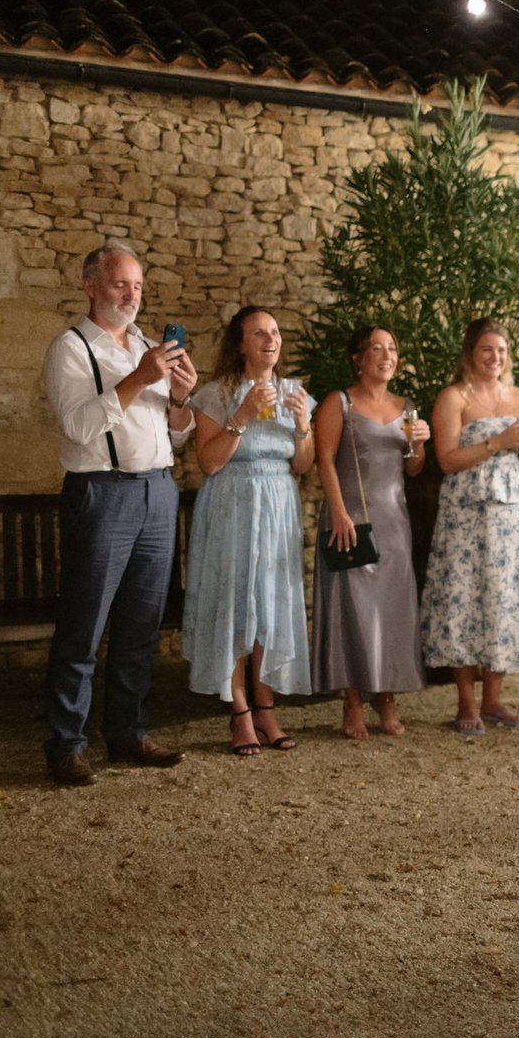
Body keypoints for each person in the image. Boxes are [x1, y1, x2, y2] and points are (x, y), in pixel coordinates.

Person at [40, 240, 196, 785]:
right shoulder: (70, 349)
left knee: (140, 627)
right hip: (101, 494)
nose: (131, 295)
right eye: (118, 284)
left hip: (158, 490)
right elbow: (80, 427)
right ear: (90, 286)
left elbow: (177, 432)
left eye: (137, 286)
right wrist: (140, 378)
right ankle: (65, 744)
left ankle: (127, 734)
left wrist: (179, 397)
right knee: (84, 624)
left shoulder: (150, 345)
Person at [183, 306, 315, 754]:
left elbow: (302, 465)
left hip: (278, 505)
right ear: (240, 344)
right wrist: (242, 413)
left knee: (270, 604)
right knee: (235, 603)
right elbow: (209, 462)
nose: (270, 339)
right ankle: (239, 711)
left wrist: (302, 427)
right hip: (231, 504)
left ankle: (267, 707)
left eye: (275, 332)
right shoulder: (214, 395)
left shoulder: (294, 392)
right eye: (259, 333)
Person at [421, 318, 519, 734]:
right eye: (486, 350)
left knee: (502, 603)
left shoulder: (518, 396)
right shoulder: (453, 398)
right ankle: (466, 703)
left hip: (511, 516)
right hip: (466, 515)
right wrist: (499, 442)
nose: (495, 358)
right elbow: (445, 460)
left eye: (501, 351)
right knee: (464, 602)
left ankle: (494, 699)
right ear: (470, 354)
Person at [313, 325, 431, 739]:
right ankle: (351, 700)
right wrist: (339, 515)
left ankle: (387, 697)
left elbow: (412, 468)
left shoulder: (407, 407)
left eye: (392, 348)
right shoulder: (339, 402)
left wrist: (421, 442)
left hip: (394, 523)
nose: (387, 355)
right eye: (376, 349)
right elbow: (324, 460)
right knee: (352, 611)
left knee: (392, 612)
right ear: (358, 359)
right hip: (350, 520)